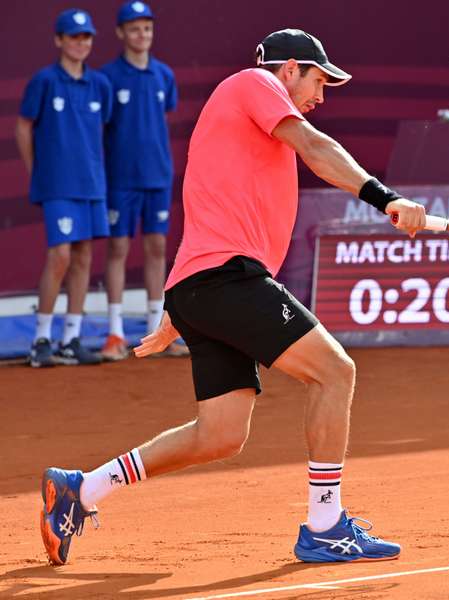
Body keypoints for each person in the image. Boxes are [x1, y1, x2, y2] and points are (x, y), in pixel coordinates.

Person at [38, 28, 426, 566]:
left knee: (219, 435)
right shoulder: (254, 83)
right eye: (319, 80)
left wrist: (178, 307)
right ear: (288, 69)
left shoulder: (246, 125)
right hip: (228, 280)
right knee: (334, 372)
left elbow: (204, 210)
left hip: (204, 285)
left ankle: (80, 490)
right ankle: (326, 524)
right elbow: (317, 149)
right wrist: (386, 199)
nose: (321, 96)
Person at [15, 9, 112, 368]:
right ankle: (41, 339)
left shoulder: (99, 84)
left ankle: (71, 338)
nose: (80, 43)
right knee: (60, 256)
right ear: (58, 40)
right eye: (73, 37)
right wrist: (35, 171)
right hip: (57, 185)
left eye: (86, 37)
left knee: (84, 256)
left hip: (92, 184)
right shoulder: (44, 81)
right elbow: (24, 127)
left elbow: (100, 131)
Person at [100, 1, 187, 361]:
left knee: (156, 249)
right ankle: (115, 333)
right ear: (121, 33)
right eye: (134, 29)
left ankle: (157, 331)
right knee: (118, 250)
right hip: (121, 179)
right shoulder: (107, 77)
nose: (142, 35)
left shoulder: (164, 75)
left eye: (147, 29)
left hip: (158, 176)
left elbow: (161, 118)